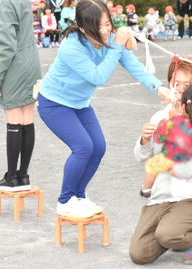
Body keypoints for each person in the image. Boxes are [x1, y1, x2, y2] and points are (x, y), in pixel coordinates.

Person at [37, 0, 170, 219]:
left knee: (98, 147)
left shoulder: (108, 40)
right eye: (101, 26)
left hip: (79, 104)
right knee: (83, 147)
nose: (107, 30)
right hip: (54, 104)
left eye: (108, 23)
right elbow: (98, 77)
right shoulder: (72, 46)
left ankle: (78, 196)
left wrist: (160, 89)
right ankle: (65, 200)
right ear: (83, 27)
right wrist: (117, 44)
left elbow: (133, 66)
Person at [130, 58, 192, 266]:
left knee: (168, 234)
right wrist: (144, 140)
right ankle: (171, 227)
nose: (182, 90)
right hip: (162, 195)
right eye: (177, 84)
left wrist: (180, 168)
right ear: (168, 85)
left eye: (189, 85)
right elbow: (141, 156)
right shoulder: (159, 116)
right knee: (139, 254)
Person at [0, 0, 41, 192]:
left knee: (13, 119)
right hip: (31, 61)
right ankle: (23, 175)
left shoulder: (5, 4)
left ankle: (11, 178)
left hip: (16, 65)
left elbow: (6, 46)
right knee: (27, 118)